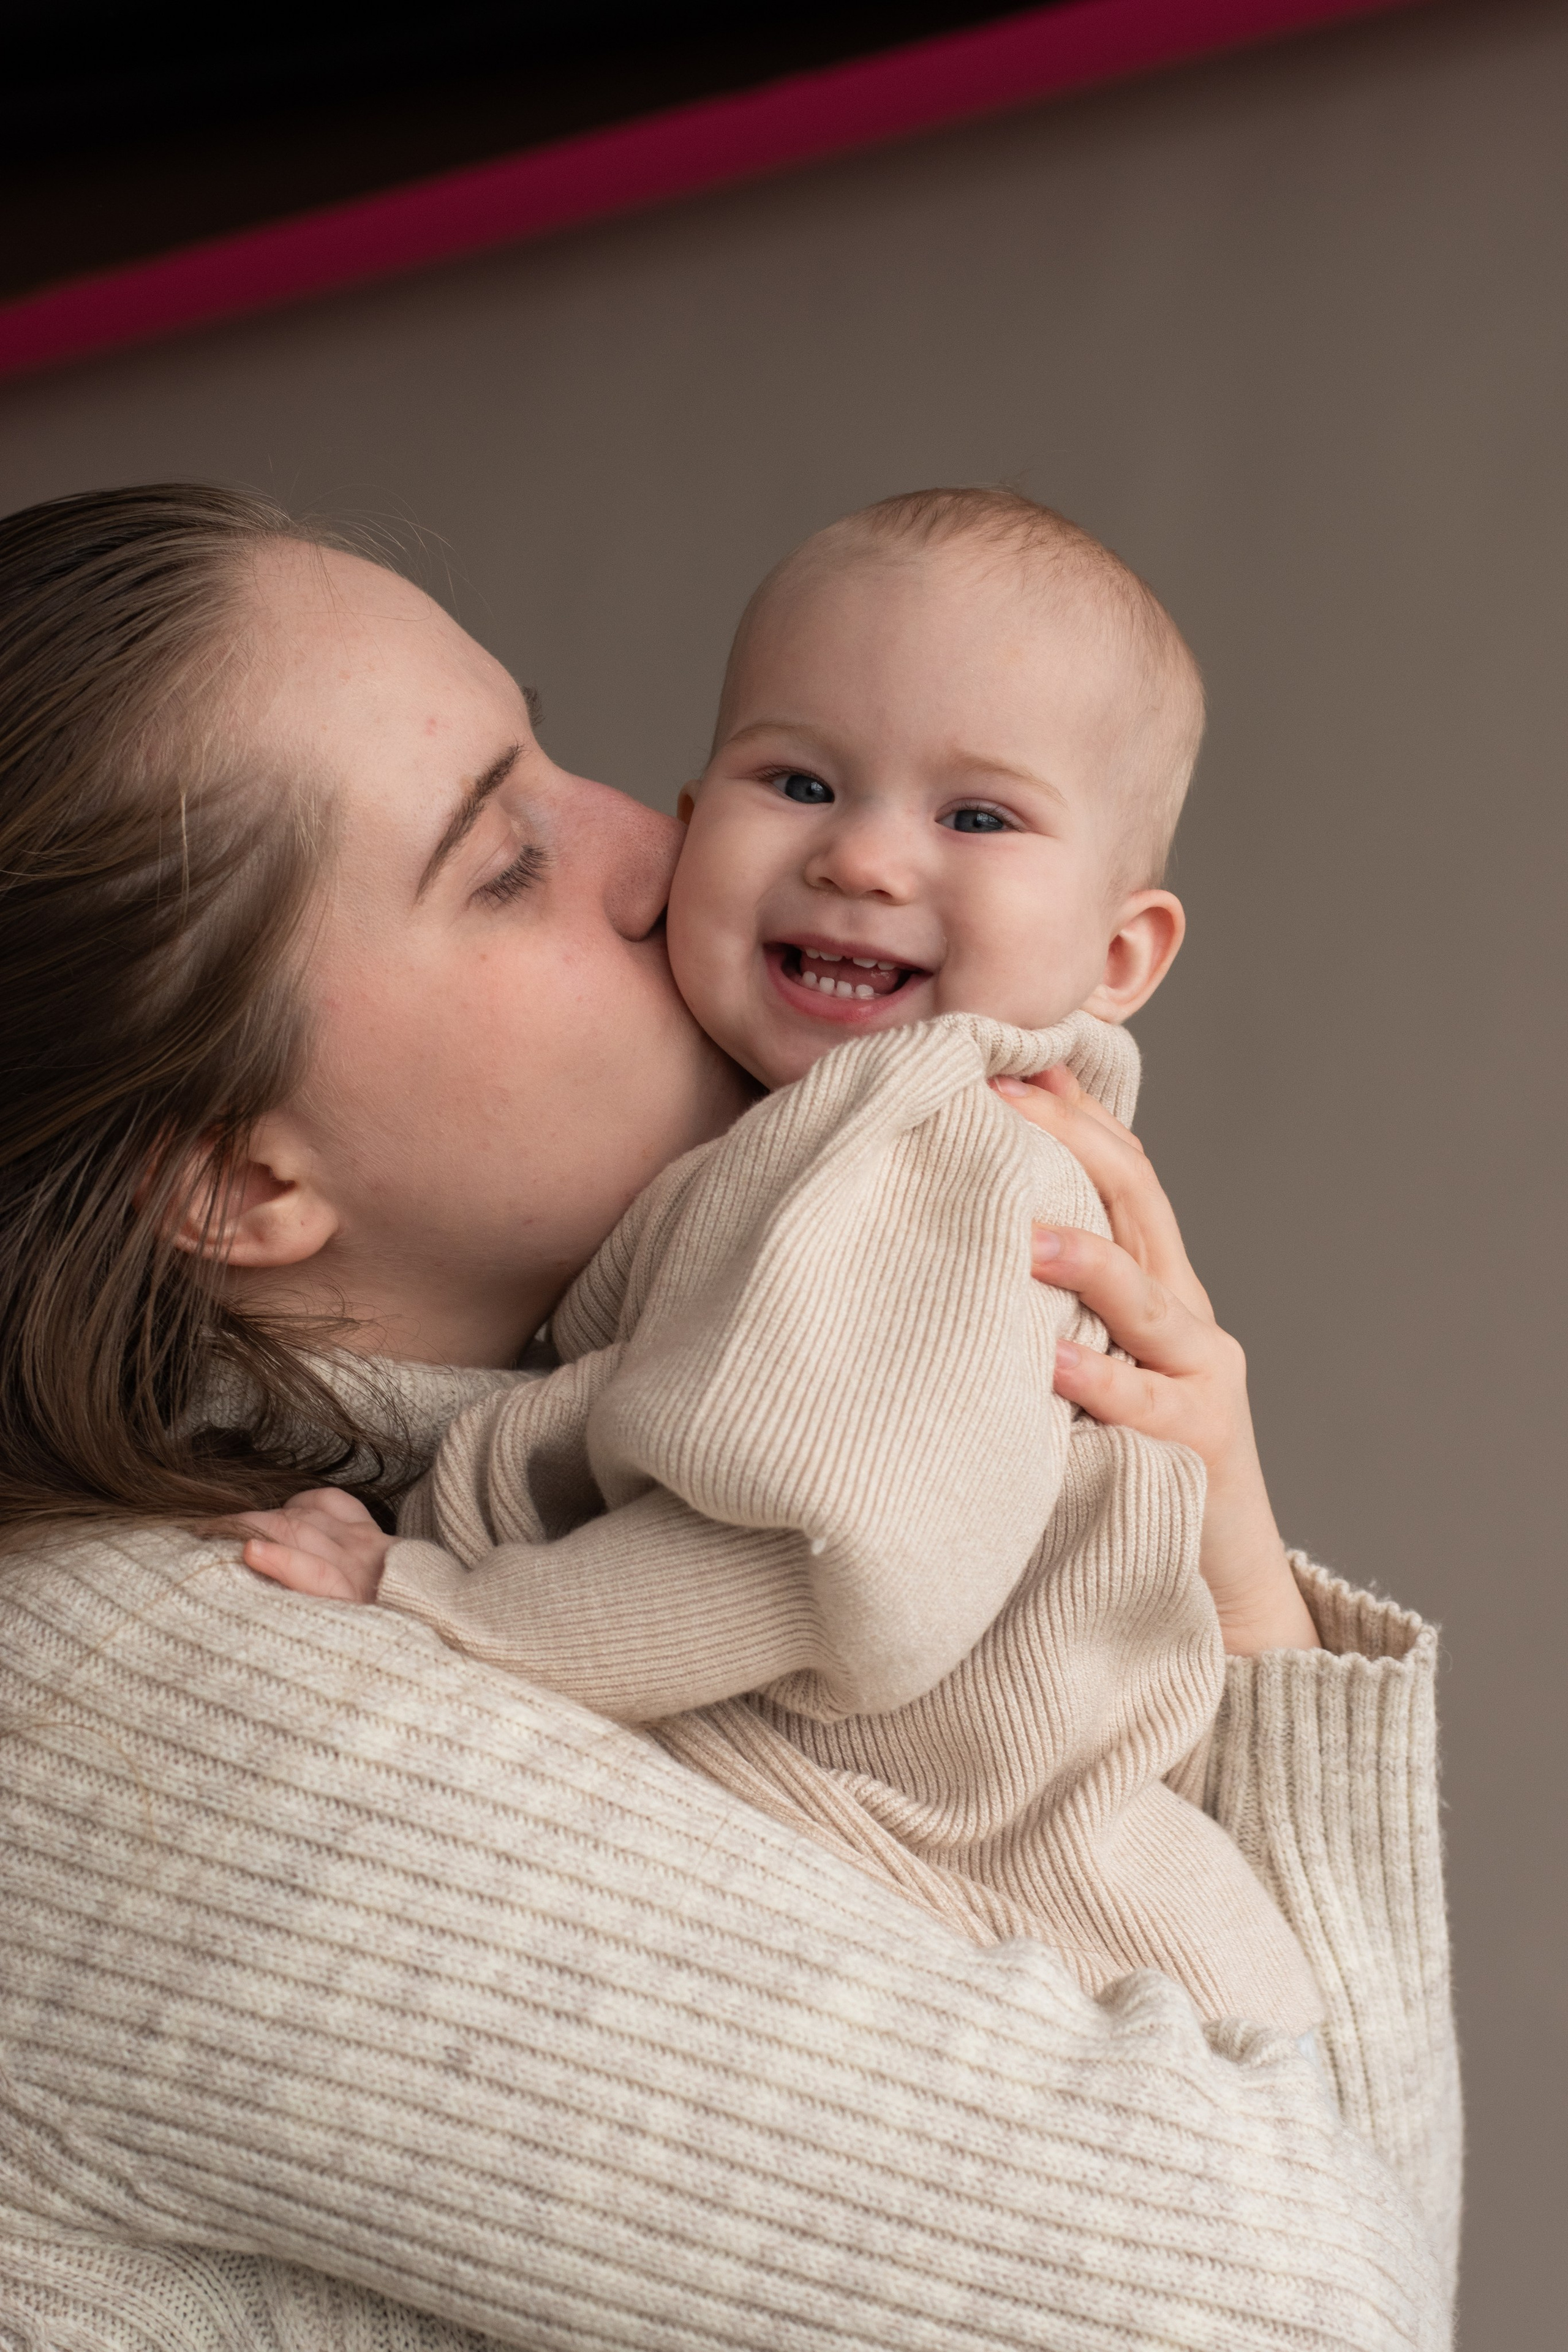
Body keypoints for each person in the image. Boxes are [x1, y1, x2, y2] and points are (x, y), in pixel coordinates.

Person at [0, 483, 1457, 2351]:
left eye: (551, 756)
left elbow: (1361, 2250)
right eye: (501, 859)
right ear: (232, 1177)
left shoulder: (492, 1493)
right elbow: (1320, 2308)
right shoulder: (143, 1715)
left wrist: (1230, 1578)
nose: (653, 840)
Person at [243, 490, 1322, 2040]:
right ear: (697, 813)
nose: (865, 859)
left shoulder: (942, 1157)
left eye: (976, 817)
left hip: (1059, 1928)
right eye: (798, 779)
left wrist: (440, 1609)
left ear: (1117, 957)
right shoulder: (790, 1149)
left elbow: (817, 1566)